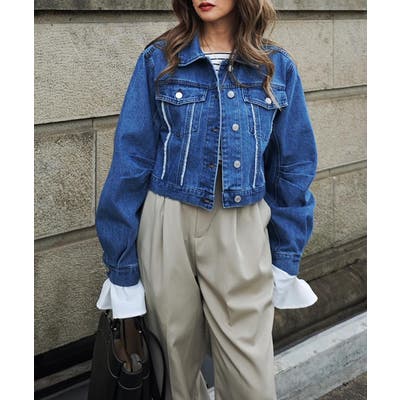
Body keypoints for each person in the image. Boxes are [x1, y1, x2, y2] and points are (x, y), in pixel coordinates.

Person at [95, 0, 318, 399]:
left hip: (242, 225)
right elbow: (132, 159)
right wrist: (122, 265)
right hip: (167, 220)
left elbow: (291, 166)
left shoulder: (275, 66)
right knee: (173, 365)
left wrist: (286, 252)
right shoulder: (159, 59)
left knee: (250, 373)